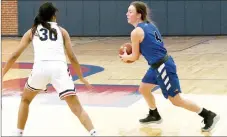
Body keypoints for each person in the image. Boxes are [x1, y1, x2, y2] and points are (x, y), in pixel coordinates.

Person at [119, 1, 220, 132]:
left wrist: (126, 57)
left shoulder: (136, 32)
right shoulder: (150, 25)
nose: (127, 14)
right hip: (157, 65)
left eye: (130, 11)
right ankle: (154, 114)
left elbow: (135, 57)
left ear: (139, 15)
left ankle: (207, 115)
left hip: (162, 67)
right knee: (144, 88)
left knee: (176, 100)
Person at [2, 2, 97, 136]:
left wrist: (2, 74)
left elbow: (14, 55)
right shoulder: (62, 31)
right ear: (53, 16)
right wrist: (81, 77)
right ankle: (94, 133)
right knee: (77, 108)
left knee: (25, 100)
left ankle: (18, 132)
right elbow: (72, 57)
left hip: (40, 68)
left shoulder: (32, 31)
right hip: (59, 69)